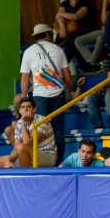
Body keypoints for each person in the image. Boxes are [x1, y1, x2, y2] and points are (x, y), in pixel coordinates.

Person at [18, 23, 72, 160]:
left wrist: (24, 98)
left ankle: (39, 159)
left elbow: (24, 78)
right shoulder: (58, 50)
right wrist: (70, 92)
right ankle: (58, 160)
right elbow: (67, 75)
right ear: (48, 34)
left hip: (39, 96)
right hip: (58, 94)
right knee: (58, 129)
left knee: (39, 129)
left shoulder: (29, 52)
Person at [0, 97, 57, 168]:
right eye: (23, 107)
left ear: (34, 109)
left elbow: (27, 142)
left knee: (21, 147)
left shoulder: (42, 121)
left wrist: (24, 122)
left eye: (29, 107)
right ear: (20, 110)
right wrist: (9, 160)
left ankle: (25, 176)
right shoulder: (20, 122)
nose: (25, 109)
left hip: (47, 157)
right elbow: (16, 147)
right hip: (28, 154)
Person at [55, 0, 95, 65]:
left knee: (73, 41)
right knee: (56, 43)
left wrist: (61, 13)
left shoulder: (85, 4)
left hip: (82, 31)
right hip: (67, 30)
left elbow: (76, 16)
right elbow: (59, 18)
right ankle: (53, 65)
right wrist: (62, 29)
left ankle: (62, 66)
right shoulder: (65, 3)